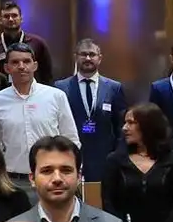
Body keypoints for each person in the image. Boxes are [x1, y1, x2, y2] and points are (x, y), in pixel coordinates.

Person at [0, 44, 80, 182]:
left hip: (52, 178)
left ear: (35, 65)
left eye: (26, 61)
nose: (21, 66)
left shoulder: (56, 96)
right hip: (13, 180)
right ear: (6, 68)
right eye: (15, 62)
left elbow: (71, 139)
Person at [99, 102, 173, 222]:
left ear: (148, 125)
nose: (124, 128)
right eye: (125, 122)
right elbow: (109, 205)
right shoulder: (115, 160)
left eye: (131, 123)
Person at [54, 38, 127, 182]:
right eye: (83, 54)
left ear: (99, 59)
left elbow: (121, 125)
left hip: (105, 156)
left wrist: (119, 154)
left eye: (92, 54)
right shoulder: (61, 87)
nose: (88, 58)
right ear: (76, 57)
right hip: (71, 154)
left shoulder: (113, 88)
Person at [0, 1, 55, 84]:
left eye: (14, 15)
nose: (11, 19)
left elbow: (47, 74)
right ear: (0, 20)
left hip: (32, 92)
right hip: (1, 92)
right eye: (6, 16)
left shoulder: (37, 43)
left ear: (21, 19)